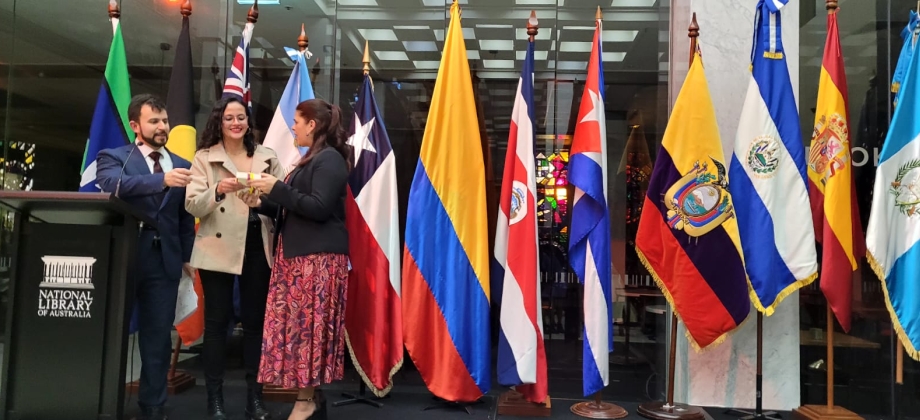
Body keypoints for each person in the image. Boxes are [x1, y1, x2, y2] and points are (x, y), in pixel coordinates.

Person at [244, 99, 351, 420]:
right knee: (300, 331)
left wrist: (276, 187)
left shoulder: (329, 160)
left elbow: (318, 208)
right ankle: (312, 399)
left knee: (307, 332)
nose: (293, 126)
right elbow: (293, 208)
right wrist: (260, 203)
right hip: (298, 260)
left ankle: (304, 402)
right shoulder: (311, 160)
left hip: (315, 262)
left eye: (297, 121)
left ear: (312, 125)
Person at [95, 93, 195, 420]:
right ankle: (104, 401)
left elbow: (182, 218)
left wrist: (187, 257)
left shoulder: (181, 163)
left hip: (164, 260)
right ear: (135, 125)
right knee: (112, 333)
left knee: (157, 340)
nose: (162, 127)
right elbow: (111, 185)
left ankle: (153, 407)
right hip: (124, 254)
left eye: (165, 120)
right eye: (154, 121)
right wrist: (159, 180)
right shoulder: (114, 156)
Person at [185, 97, 285, 420]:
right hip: (218, 247)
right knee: (216, 325)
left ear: (248, 121)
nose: (236, 123)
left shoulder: (267, 156)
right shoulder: (204, 158)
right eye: (229, 118)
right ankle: (214, 400)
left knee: (255, 324)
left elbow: (283, 201)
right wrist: (218, 189)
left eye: (241, 117)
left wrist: (262, 201)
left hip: (258, 244)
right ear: (219, 121)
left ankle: (254, 399)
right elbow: (192, 205)